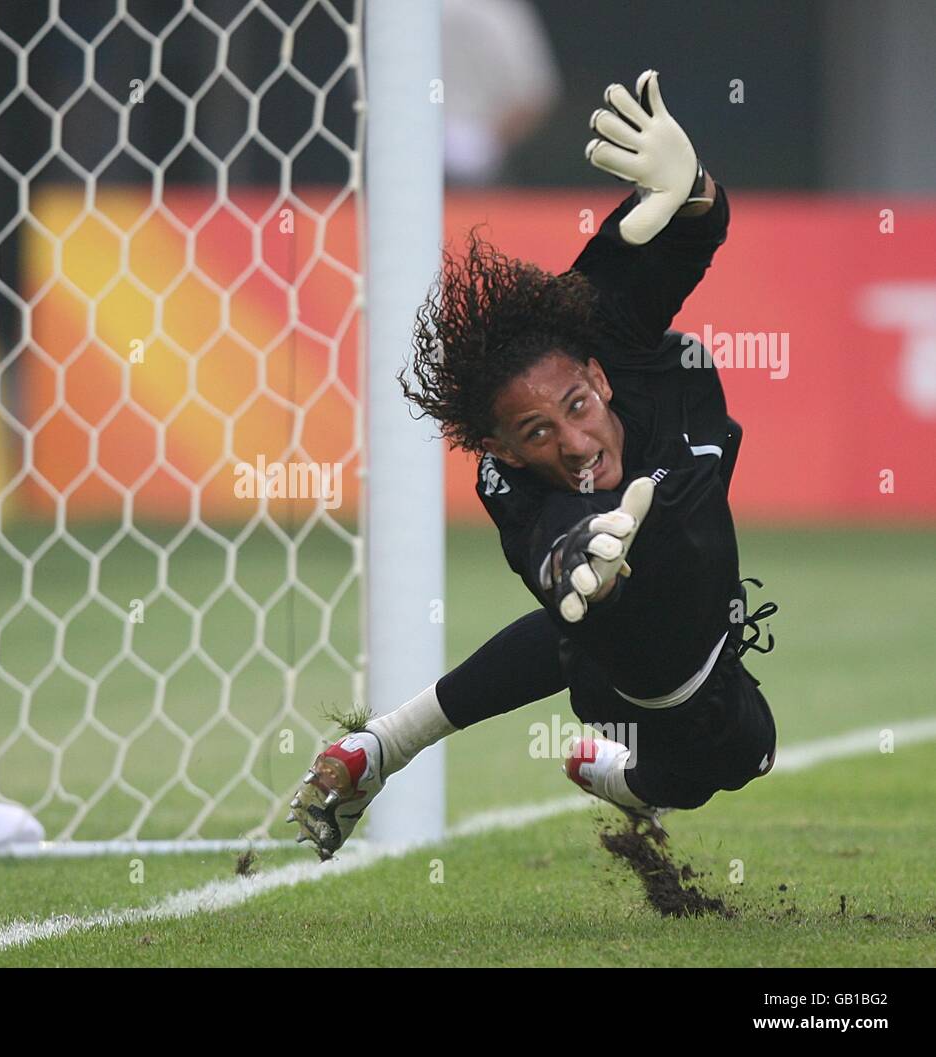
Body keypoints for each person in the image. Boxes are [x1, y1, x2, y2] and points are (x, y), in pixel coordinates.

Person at [287, 71, 778, 859]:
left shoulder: (595, 327)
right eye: (538, 433)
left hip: (671, 595)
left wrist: (693, 186)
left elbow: (689, 225)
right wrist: (588, 558)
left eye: (577, 407)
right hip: (643, 666)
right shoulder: (515, 489)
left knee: (595, 646)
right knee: (743, 743)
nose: (575, 444)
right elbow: (557, 557)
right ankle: (620, 775)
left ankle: (378, 745)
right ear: (505, 450)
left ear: (600, 373)